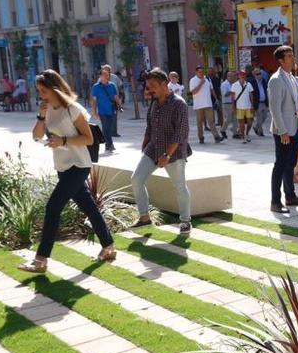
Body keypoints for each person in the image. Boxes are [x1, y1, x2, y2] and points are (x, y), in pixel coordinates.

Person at [18, 69, 115, 273]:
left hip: (79, 165)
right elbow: (36, 135)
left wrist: (62, 140)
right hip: (63, 165)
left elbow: (88, 138)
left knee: (52, 208)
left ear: (55, 89)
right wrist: (41, 116)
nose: (41, 95)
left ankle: (41, 260)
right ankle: (109, 246)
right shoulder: (48, 110)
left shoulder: (73, 109)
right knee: (89, 207)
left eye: (43, 90)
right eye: (38, 91)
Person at [130, 68, 193, 236]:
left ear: (164, 84)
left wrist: (167, 155)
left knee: (179, 186)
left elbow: (181, 133)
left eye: (152, 85)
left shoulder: (179, 104)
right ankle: (144, 217)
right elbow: (150, 126)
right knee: (136, 179)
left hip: (174, 152)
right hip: (153, 148)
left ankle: (185, 221)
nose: (149, 89)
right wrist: (144, 145)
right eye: (147, 86)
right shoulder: (154, 102)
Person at [268, 45, 298, 213]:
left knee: (291, 163)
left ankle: (290, 196)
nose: (293, 59)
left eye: (293, 55)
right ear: (281, 60)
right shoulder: (276, 79)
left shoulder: (292, 77)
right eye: (289, 56)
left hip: (295, 125)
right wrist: (282, 131)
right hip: (283, 130)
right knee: (280, 164)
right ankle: (275, 201)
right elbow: (274, 108)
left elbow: (296, 102)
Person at [189, 66, 222, 144]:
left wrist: (216, 98)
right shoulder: (193, 80)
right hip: (199, 105)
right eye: (199, 72)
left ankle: (216, 137)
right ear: (196, 72)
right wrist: (200, 84)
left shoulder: (207, 79)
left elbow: (211, 89)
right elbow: (193, 92)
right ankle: (201, 137)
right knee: (199, 123)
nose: (201, 73)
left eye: (202, 72)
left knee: (211, 121)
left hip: (208, 104)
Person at [91, 68, 119, 153]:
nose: (107, 76)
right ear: (100, 76)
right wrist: (94, 111)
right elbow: (94, 100)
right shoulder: (96, 87)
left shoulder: (112, 85)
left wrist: (119, 106)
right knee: (106, 127)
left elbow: (115, 97)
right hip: (102, 111)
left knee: (109, 128)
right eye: (105, 75)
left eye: (108, 75)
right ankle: (110, 144)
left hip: (112, 110)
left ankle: (107, 145)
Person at [231, 70, 255, 143]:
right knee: (241, 124)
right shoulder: (234, 85)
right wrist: (233, 106)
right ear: (238, 76)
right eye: (240, 75)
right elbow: (232, 97)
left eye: (243, 75)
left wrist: (252, 105)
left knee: (250, 122)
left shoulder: (248, 84)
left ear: (245, 76)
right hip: (239, 107)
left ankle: (247, 133)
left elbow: (251, 95)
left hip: (248, 106)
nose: (242, 76)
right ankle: (243, 136)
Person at [100, 65, 122, 137]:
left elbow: (120, 85)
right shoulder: (100, 79)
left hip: (113, 101)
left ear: (110, 71)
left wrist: (119, 101)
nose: (105, 71)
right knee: (105, 118)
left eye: (107, 70)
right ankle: (105, 134)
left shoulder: (115, 77)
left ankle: (114, 132)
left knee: (114, 117)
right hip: (104, 102)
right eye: (104, 70)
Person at [251, 67, 269, 137]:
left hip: (264, 102)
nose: (259, 75)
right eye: (257, 74)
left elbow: (266, 90)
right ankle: (260, 132)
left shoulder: (263, 81)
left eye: (260, 73)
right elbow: (251, 93)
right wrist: (252, 104)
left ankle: (256, 127)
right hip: (258, 102)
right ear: (254, 75)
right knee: (259, 118)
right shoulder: (252, 82)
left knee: (264, 117)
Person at [219, 71, 236, 139]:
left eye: (234, 76)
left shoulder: (234, 84)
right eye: (232, 76)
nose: (234, 78)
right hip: (227, 103)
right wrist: (232, 91)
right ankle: (222, 130)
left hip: (234, 103)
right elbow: (224, 94)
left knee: (235, 118)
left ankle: (235, 133)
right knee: (228, 118)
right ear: (228, 77)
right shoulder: (224, 84)